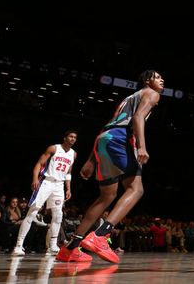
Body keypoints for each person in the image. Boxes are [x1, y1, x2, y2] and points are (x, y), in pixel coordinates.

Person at [56, 70, 165, 264]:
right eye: (157, 77)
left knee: (106, 196)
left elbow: (109, 125)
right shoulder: (151, 94)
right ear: (148, 81)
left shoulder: (128, 98)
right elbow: (139, 117)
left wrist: (91, 159)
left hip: (104, 139)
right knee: (136, 189)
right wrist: (142, 146)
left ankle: (70, 248)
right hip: (121, 139)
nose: (162, 79)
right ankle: (100, 236)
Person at [12, 130, 78, 256]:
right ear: (65, 138)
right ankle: (19, 245)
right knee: (32, 213)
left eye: (75, 137)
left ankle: (52, 246)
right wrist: (35, 179)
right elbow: (39, 163)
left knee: (58, 216)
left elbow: (68, 173)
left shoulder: (73, 154)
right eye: (71, 136)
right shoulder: (54, 148)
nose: (73, 139)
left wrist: (68, 188)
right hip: (46, 182)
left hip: (59, 185)